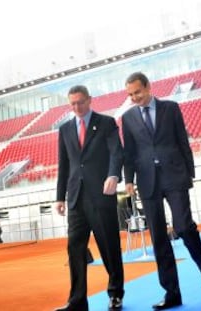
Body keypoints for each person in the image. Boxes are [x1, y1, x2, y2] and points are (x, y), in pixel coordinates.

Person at [122, 72, 201, 310]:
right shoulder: (127, 118)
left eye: (137, 92)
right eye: (130, 94)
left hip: (174, 176)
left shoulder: (171, 108)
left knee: (184, 227)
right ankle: (171, 293)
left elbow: (182, 142)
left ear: (148, 87)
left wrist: (188, 174)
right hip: (147, 181)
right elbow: (129, 152)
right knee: (159, 238)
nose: (134, 97)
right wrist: (129, 180)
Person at [55, 85, 124, 311]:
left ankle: (115, 293)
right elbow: (64, 165)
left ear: (90, 100)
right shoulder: (64, 129)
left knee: (109, 246)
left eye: (80, 102)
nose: (77, 107)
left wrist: (113, 174)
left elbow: (116, 151)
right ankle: (77, 301)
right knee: (75, 249)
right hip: (75, 198)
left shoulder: (106, 123)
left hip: (101, 195)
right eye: (72, 103)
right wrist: (60, 197)